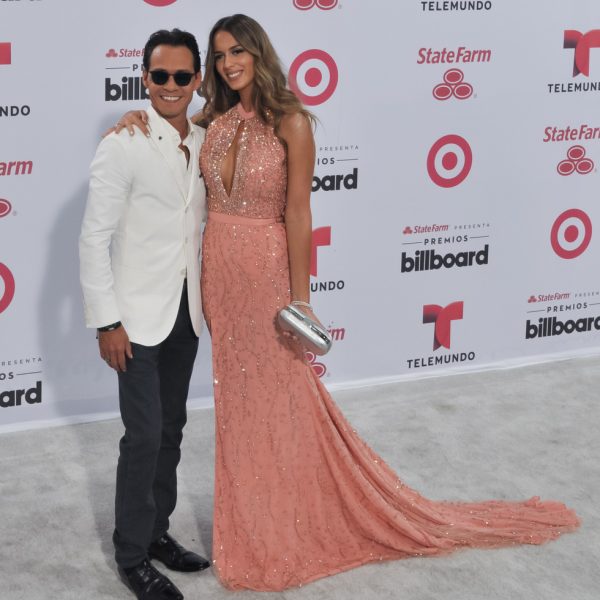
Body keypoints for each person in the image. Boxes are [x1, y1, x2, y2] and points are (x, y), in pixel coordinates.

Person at [114, 14, 580, 593]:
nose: (229, 63)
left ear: (258, 53)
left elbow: (298, 213)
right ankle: (252, 526)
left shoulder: (292, 122)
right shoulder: (210, 121)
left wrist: (301, 298)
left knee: (283, 401)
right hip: (218, 282)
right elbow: (169, 138)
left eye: (238, 51)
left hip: (265, 277)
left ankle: (282, 528)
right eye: (220, 54)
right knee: (239, 409)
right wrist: (134, 117)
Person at [79, 29, 211, 600]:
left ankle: (156, 531)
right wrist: (107, 322)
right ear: (145, 79)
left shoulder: (206, 139)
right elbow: (93, 238)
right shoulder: (122, 143)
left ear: (197, 80)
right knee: (144, 435)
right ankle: (132, 556)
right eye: (160, 76)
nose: (171, 86)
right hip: (133, 320)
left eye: (182, 76)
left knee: (172, 429)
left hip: (186, 312)